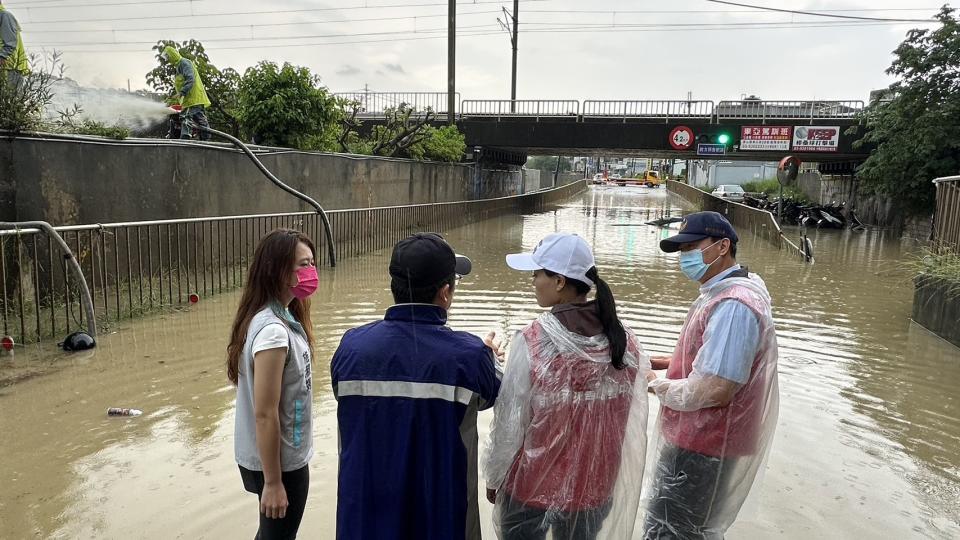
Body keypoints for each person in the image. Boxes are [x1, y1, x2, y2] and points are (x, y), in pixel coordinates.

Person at [331, 232, 501, 540]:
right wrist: (491, 358)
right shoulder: (470, 355)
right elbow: (494, 393)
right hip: (442, 521)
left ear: (394, 286)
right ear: (445, 293)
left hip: (362, 523)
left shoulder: (351, 349)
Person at [484, 232, 650, 540]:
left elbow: (510, 422)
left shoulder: (532, 341)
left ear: (559, 281)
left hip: (530, 489)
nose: (533, 280)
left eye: (537, 273)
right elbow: (630, 424)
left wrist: (494, 477)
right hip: (594, 489)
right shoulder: (624, 342)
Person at [643, 211, 779, 540]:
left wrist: (653, 384)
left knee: (673, 531)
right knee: (683, 527)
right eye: (681, 249)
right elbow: (708, 357)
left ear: (722, 247)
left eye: (692, 246)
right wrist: (654, 361)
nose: (684, 256)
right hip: (704, 442)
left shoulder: (735, 305)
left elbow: (716, 389)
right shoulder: (733, 290)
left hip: (704, 445)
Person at [226, 228, 319, 539]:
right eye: (303, 265)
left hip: (275, 457)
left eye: (312, 263)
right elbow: (265, 413)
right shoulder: (273, 332)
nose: (312, 272)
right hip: (280, 463)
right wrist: (274, 482)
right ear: (278, 270)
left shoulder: (277, 315)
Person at [160, 45, 211, 140]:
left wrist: (182, 92)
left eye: (168, 57)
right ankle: (206, 141)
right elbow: (182, 83)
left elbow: (190, 79)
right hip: (192, 99)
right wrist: (175, 95)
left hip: (192, 99)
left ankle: (184, 141)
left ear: (172, 55)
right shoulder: (179, 66)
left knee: (186, 117)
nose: (167, 59)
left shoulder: (184, 63)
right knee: (200, 120)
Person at [0, 0, 28, 88]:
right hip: (5, 67)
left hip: (10, 67)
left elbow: (10, 42)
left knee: (10, 98)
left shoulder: (4, 16)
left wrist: (2, 56)